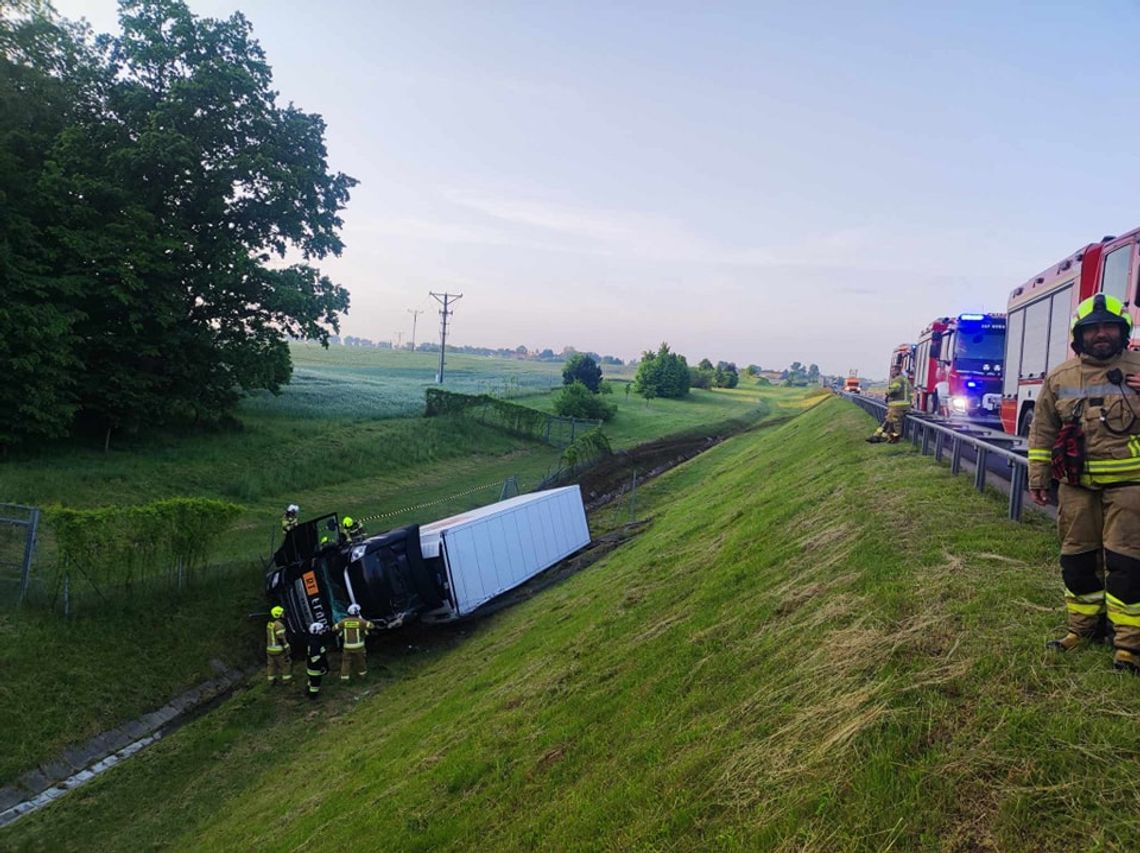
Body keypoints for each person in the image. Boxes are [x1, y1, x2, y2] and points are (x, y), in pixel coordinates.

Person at [1028, 293, 1140, 673]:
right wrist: (1038, 477)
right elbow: (1042, 431)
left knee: (1127, 566)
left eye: (1109, 326)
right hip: (1076, 489)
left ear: (1123, 331)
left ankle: (1128, 646)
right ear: (1079, 335)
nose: (1102, 334)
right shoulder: (1060, 379)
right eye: (1093, 328)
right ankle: (1082, 629)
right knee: (1077, 562)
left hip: (1130, 488)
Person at [866, 364, 912, 444]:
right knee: (888, 421)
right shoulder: (905, 380)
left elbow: (894, 390)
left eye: (892, 371)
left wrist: (887, 393)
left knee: (896, 424)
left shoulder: (897, 379)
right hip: (904, 406)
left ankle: (894, 439)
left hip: (898, 407)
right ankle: (878, 436)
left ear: (897, 371)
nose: (891, 373)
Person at [333, 603, 375, 682]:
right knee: (361, 662)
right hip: (359, 647)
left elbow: (334, 628)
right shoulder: (361, 622)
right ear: (357, 613)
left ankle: (344, 678)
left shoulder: (343, 622)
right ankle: (363, 677)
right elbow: (371, 626)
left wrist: (341, 634)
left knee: (346, 662)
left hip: (347, 647)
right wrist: (362, 619)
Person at [265, 605, 293, 685]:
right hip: (278, 650)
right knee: (286, 664)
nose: (283, 614)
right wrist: (287, 648)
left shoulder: (270, 624)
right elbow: (281, 639)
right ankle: (287, 681)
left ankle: (271, 681)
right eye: (282, 613)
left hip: (269, 649)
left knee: (271, 666)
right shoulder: (279, 626)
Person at [305, 622, 329, 699]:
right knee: (315, 683)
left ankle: (308, 691)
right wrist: (322, 667)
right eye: (321, 630)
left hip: (311, 667)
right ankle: (313, 696)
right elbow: (315, 658)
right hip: (315, 669)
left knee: (311, 680)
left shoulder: (313, 640)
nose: (323, 632)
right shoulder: (315, 643)